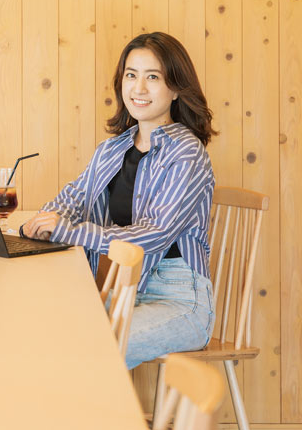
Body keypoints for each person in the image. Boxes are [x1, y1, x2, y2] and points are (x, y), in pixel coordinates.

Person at [21, 31, 216, 369]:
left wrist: (69, 231)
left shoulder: (187, 153)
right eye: (131, 75)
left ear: (175, 89)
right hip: (121, 293)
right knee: (41, 330)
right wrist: (38, 223)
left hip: (179, 302)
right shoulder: (112, 149)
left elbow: (154, 234)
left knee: (92, 349)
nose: (138, 89)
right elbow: (75, 196)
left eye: (152, 77)